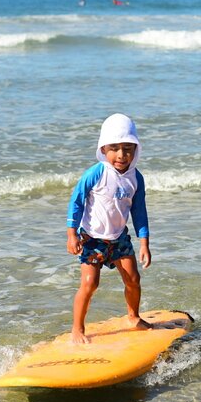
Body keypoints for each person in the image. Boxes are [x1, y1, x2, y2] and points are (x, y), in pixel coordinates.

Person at [66, 113, 152, 344]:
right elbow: (76, 201)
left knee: (133, 279)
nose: (121, 155)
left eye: (128, 148)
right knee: (89, 284)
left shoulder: (136, 178)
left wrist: (144, 242)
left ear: (136, 150)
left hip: (119, 238)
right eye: (114, 148)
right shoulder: (96, 173)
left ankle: (133, 316)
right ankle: (77, 329)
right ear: (103, 149)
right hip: (93, 238)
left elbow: (139, 211)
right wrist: (72, 234)